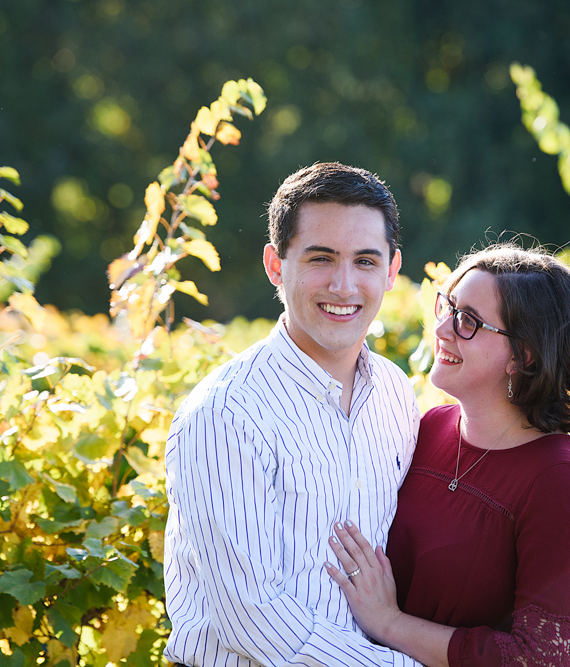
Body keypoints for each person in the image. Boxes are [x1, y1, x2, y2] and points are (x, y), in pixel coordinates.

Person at [163, 163, 424, 667]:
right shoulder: (225, 414)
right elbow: (252, 619)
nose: (345, 285)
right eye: (321, 258)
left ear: (392, 271)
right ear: (276, 265)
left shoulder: (395, 393)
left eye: (365, 261)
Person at [325, 244, 570, 667]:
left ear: (524, 355)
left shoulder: (559, 480)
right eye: (448, 307)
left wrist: (390, 622)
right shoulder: (428, 427)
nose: (442, 329)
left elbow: (539, 660)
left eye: (468, 321)